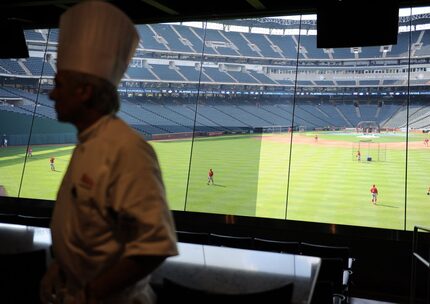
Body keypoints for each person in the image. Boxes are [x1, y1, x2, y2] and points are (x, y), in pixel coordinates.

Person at [39, 2, 178, 304]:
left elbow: (155, 246)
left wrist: (92, 293)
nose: (51, 93)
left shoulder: (127, 150)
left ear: (84, 92)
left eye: (59, 84)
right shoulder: (88, 142)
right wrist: (62, 268)